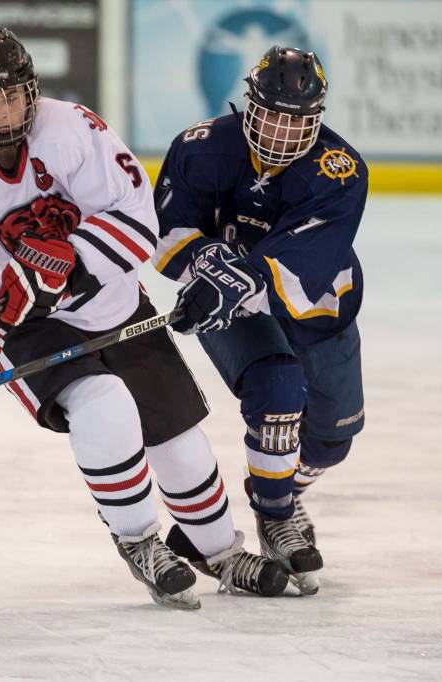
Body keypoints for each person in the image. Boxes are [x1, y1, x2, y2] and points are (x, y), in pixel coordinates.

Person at [0, 28, 288, 609]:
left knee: (181, 444)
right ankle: (139, 542)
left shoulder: (74, 130)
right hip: (28, 324)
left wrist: (71, 265)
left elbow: (138, 220)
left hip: (114, 303)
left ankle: (220, 552)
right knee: (104, 405)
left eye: (9, 96)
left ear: (31, 93)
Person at [152, 46, 367, 594]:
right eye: (271, 114)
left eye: (297, 119)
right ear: (247, 107)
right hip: (231, 309)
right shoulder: (201, 148)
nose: (281, 131)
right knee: (277, 388)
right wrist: (203, 266)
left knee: (333, 438)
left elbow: (308, 258)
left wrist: (239, 276)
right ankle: (274, 515)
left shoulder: (340, 172)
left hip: (316, 308)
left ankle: (284, 491)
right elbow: (169, 228)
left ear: (317, 117)